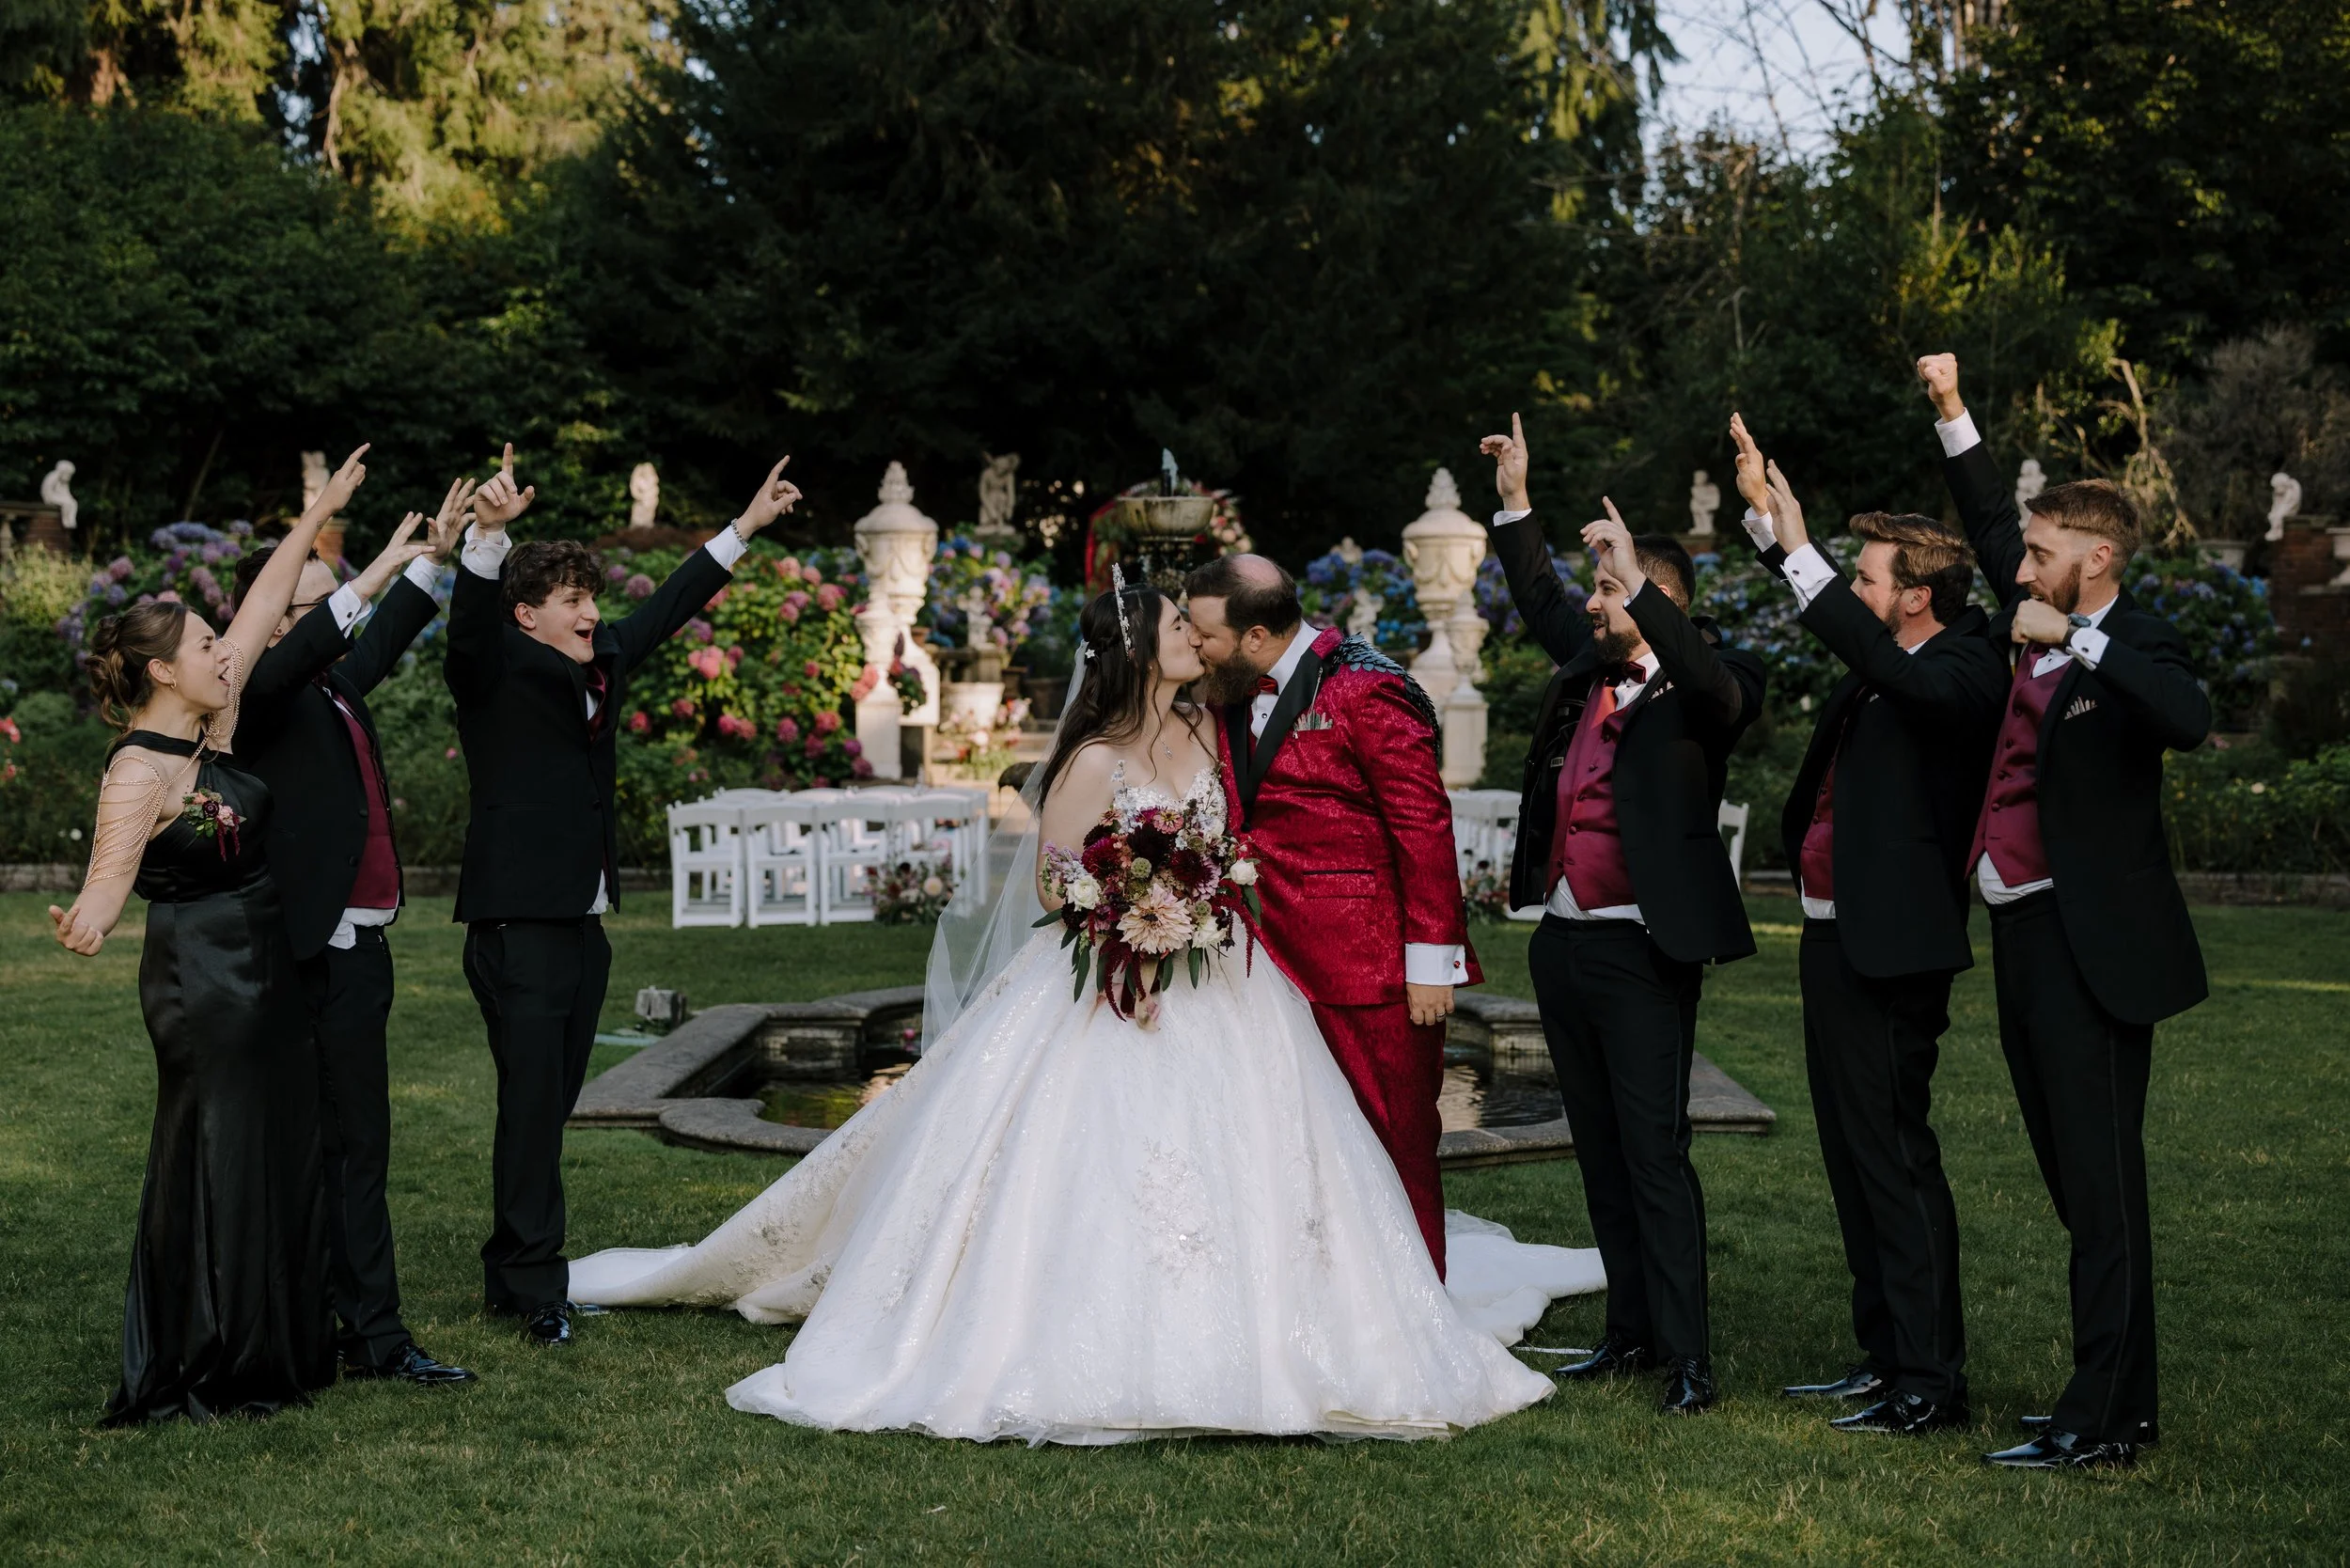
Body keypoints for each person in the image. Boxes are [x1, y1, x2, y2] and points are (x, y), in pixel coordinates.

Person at [566, 581, 1600, 1443]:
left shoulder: (1214, 727)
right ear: (1140, 653)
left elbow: (1245, 840)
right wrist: (1130, 917)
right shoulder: (1094, 757)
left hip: (1231, 982)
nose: (1195, 639)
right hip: (1113, 987)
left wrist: (1191, 907)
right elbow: (1055, 882)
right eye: (1177, 631)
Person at [51, 447, 405, 1424]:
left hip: (266, 973)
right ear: (164, 669)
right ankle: (205, 1351)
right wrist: (84, 925)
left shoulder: (218, 725)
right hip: (201, 984)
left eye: (221, 643)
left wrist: (320, 515)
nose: (226, 652)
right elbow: (108, 887)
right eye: (205, 646)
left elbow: (261, 608)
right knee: (219, 1158)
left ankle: (272, 1347)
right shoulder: (140, 773)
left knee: (277, 1155)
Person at [1919, 354, 2212, 1471]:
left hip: (2097, 954)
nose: (2019, 568)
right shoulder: (2037, 591)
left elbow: (2184, 716)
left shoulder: (2131, 639)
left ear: (2095, 563)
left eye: (2041, 557)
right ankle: (2108, 1402)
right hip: (2022, 934)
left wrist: (2076, 641)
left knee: (2102, 1190)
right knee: (2069, 1180)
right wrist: (1951, 410)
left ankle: (2104, 1419)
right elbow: (1990, 514)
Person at [446, 445, 802, 1346]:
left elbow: (669, 607)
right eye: (571, 600)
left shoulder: (602, 657)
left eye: (590, 598)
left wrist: (744, 529)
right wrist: (485, 541)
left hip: (582, 924)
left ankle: (511, 1269)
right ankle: (532, 1286)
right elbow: (464, 631)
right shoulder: (489, 668)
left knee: (546, 1106)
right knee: (531, 1107)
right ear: (526, 615)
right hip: (517, 923)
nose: (591, 611)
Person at [1477, 413, 1766, 1416]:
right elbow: (1537, 595)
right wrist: (1517, 497)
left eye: (1612, 590)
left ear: (1660, 601)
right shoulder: (1586, 669)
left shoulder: (1707, 690)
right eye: (1602, 588)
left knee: (1654, 1154)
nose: (1594, 601)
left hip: (1646, 949)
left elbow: (1714, 683)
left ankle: (1688, 1354)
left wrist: (1634, 574)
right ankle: (1629, 1334)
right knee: (1600, 1154)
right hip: (1564, 944)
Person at [1727, 414, 2006, 1435]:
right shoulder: (1895, 650)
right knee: (1851, 1151)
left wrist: (1796, 549)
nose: (1858, 592)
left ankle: (1931, 1382)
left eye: (1872, 577)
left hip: (1896, 946)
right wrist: (1771, 522)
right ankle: (1883, 1356)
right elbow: (1845, 629)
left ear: (1918, 593)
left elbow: (1866, 650)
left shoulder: (1964, 666)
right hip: (1834, 932)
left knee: (1893, 1152)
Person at [231, 477, 478, 1388]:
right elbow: (306, 646)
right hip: (306, 955)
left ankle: (355, 1326)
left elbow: (372, 639)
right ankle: (357, 1330)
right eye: (303, 607)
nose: (325, 624)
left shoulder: (332, 688)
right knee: (333, 1148)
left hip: (359, 951)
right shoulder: (257, 696)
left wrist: (430, 563)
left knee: (357, 1147)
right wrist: (367, 571)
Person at [1180, 553, 1475, 1277]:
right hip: (1266, 966)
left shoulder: (1369, 688)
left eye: (1203, 632)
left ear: (1255, 637)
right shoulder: (1227, 690)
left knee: (1396, 1140)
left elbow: (1423, 826)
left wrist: (1432, 962)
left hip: (1368, 967)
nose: (1192, 644)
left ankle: (1422, 1306)